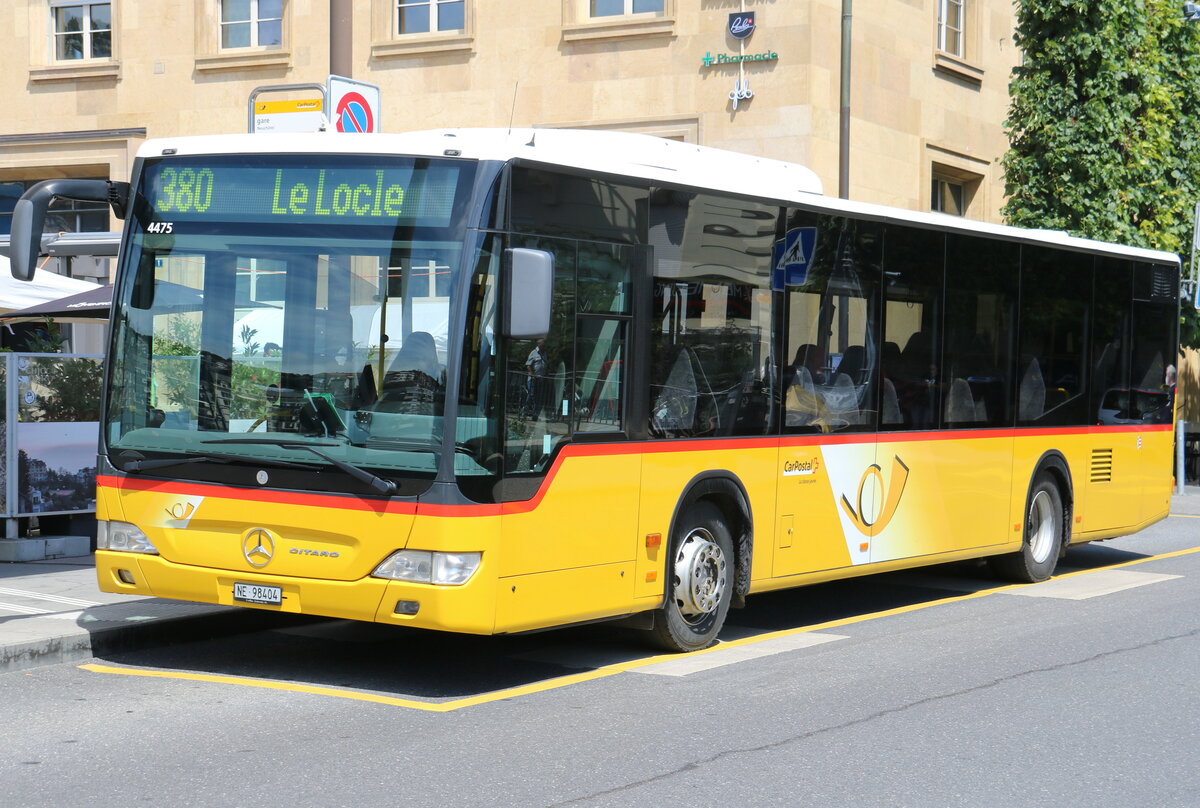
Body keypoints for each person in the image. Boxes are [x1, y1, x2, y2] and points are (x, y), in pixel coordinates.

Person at [524, 338, 548, 417]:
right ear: (539, 345)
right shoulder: (534, 353)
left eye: (545, 345)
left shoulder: (544, 353)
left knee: (538, 396)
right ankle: (525, 411)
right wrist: (532, 375)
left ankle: (535, 413)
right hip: (533, 379)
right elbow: (528, 365)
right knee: (531, 394)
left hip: (541, 378)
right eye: (543, 345)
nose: (544, 347)